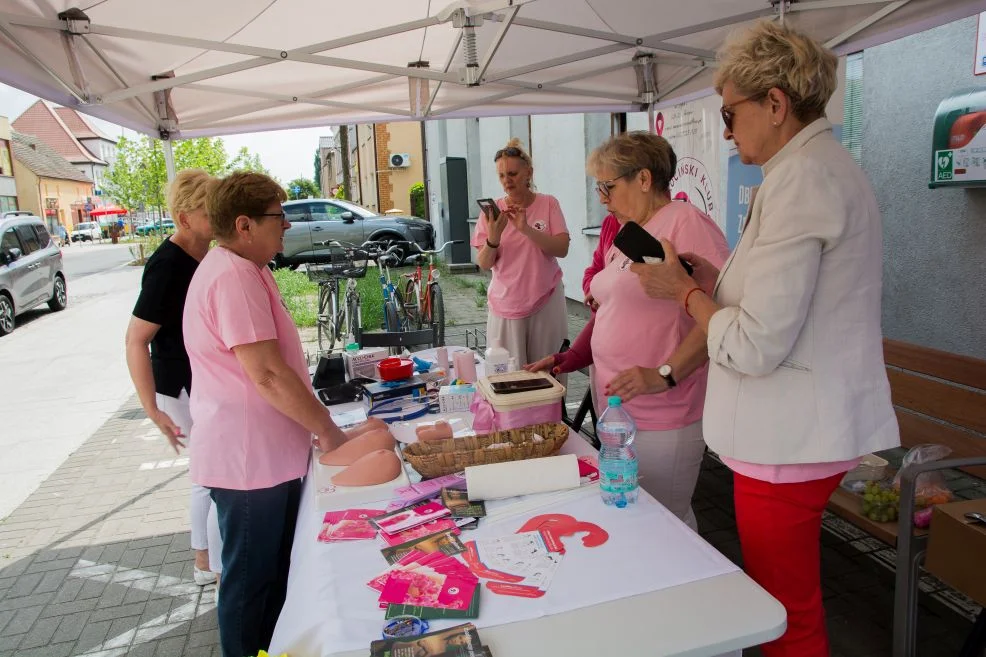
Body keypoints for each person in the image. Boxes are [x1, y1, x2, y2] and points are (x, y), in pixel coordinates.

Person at [627, 21, 900, 657]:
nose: (725, 130)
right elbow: (786, 303)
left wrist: (684, 293)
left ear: (774, 103)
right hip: (792, 433)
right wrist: (708, 279)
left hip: (789, 439)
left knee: (783, 615)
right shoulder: (807, 169)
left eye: (730, 112)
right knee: (785, 605)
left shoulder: (804, 178)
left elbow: (755, 344)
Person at [527, 132, 730, 529]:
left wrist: (664, 375)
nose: (602, 197)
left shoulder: (686, 223)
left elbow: (721, 315)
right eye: (598, 187)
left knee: (664, 525)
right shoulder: (631, 230)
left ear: (642, 179)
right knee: (639, 519)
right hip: (620, 411)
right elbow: (610, 310)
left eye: (608, 185)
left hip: (662, 414)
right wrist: (570, 357)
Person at [183, 171, 349, 657]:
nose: (288, 227)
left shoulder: (245, 267)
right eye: (279, 216)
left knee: (270, 577)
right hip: (248, 461)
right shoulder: (231, 275)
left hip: (263, 455)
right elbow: (268, 376)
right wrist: (327, 430)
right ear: (244, 225)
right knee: (251, 585)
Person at [124, 168, 220, 587]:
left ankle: (210, 556)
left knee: (214, 470)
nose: (218, 215)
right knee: (207, 473)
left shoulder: (208, 255)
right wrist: (152, 410)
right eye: (209, 209)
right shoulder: (167, 265)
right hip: (181, 384)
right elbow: (135, 340)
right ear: (184, 217)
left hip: (207, 379)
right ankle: (204, 562)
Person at [471, 138, 570, 366]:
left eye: (513, 174)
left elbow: (562, 249)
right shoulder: (492, 212)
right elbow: (485, 264)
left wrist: (525, 229)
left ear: (529, 173)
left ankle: (551, 405)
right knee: (508, 373)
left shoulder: (548, 204)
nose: (507, 181)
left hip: (545, 300)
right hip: (505, 305)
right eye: (502, 176)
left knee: (546, 372)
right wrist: (494, 238)